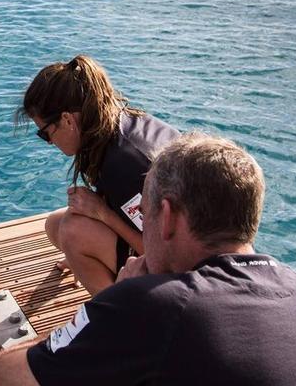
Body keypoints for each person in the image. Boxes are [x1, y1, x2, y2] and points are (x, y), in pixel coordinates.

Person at [0, 133, 296, 386]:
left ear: (168, 216)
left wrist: (112, 302)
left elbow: (2, 382)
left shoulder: (161, 304)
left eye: (146, 211)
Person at [20, 55, 179, 294]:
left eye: (45, 133)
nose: (49, 142)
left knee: (73, 233)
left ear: (66, 120)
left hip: (183, 268)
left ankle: (117, 317)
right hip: (174, 245)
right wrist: (82, 259)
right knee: (56, 225)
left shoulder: (124, 164)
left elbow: (159, 251)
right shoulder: (116, 126)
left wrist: (101, 213)